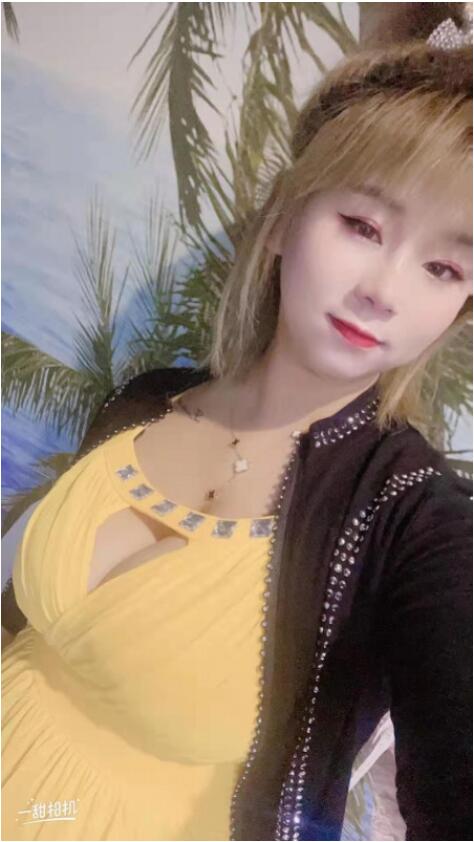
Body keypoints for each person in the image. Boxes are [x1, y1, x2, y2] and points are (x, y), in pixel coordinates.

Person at [2, 4, 472, 840]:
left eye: (443, 267)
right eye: (362, 226)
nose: (384, 290)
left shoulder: (411, 521)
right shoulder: (148, 400)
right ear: (286, 217)